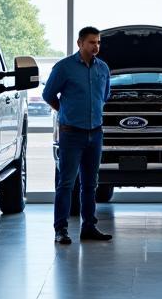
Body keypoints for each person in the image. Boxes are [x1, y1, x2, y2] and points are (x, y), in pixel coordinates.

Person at [42, 26, 112, 245]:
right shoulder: (64, 68)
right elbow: (48, 94)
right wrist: (65, 112)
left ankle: (89, 227)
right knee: (66, 183)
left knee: (91, 184)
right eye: (92, 42)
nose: (96, 46)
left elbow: (105, 96)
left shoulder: (103, 69)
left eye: (98, 42)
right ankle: (60, 230)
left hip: (95, 133)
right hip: (71, 134)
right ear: (80, 43)